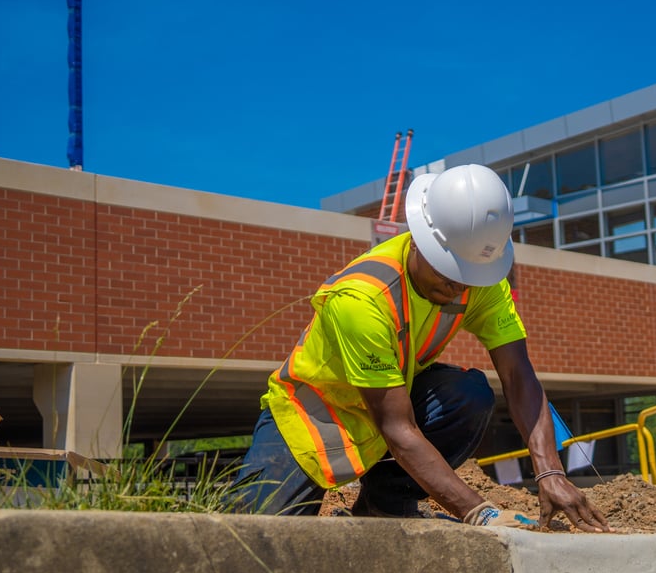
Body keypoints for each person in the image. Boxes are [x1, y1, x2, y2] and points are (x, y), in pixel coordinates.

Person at [228, 164, 609, 532]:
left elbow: (518, 374)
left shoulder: (481, 281)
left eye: (467, 276)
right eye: (448, 271)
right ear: (421, 239)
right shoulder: (362, 299)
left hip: (394, 400)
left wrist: (550, 471)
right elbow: (397, 428)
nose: (458, 287)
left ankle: (386, 506)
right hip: (316, 416)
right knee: (255, 533)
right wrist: (479, 512)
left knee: (469, 395)